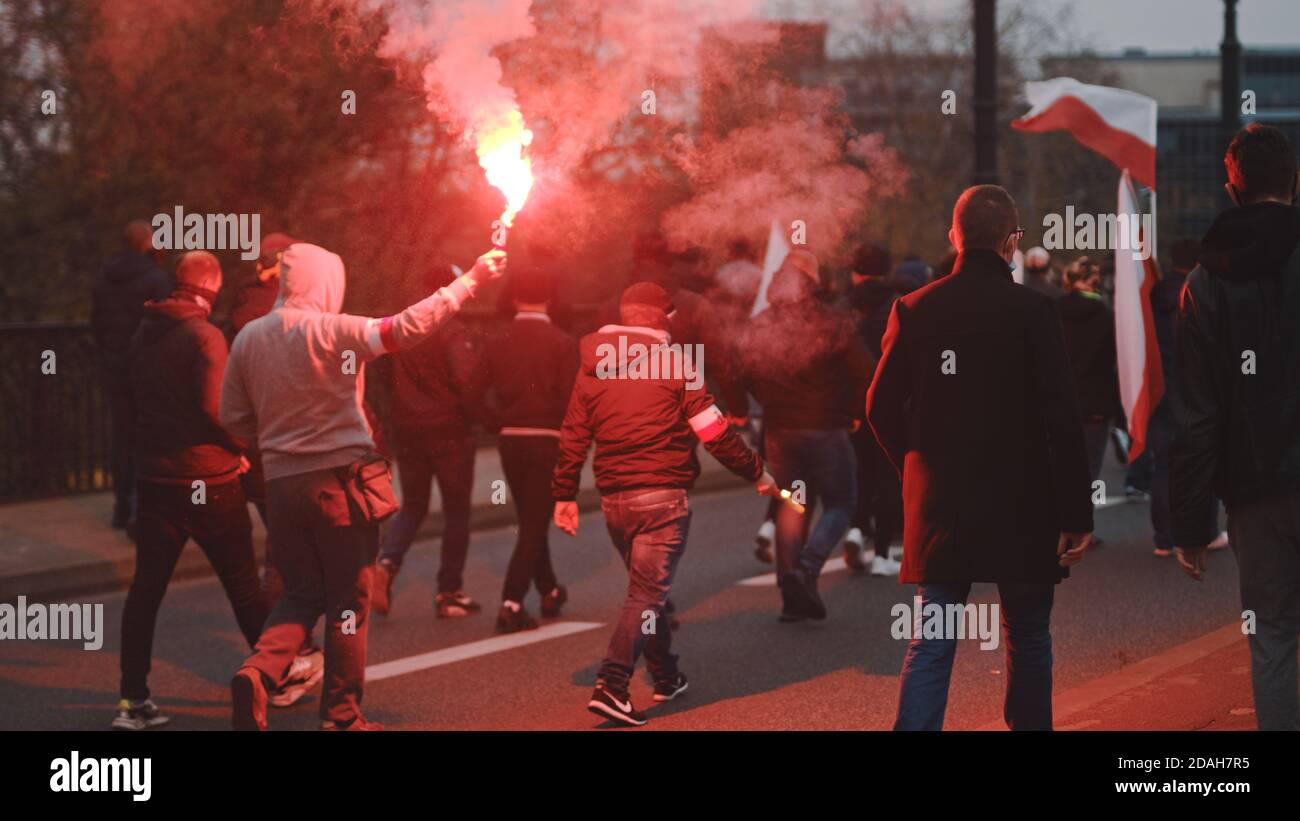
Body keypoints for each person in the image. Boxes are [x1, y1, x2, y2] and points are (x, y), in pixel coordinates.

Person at [220, 242, 506, 731]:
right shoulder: (334, 330)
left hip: (283, 487)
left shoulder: (249, 338)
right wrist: (472, 280)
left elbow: (234, 418)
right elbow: (405, 328)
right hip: (339, 485)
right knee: (349, 602)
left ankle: (259, 670)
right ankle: (342, 716)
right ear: (328, 281)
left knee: (300, 593)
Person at [867, 185, 1093, 731]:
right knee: (1029, 635)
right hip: (1023, 501)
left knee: (932, 640)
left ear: (955, 235)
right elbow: (1063, 418)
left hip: (942, 500)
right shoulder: (1034, 311)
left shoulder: (915, 308)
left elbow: (878, 407)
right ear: (1012, 242)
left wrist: (914, 467)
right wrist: (1076, 513)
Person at [553, 282, 774, 726]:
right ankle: (612, 684)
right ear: (662, 319)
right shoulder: (676, 363)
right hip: (663, 497)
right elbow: (713, 432)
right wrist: (756, 470)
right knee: (647, 594)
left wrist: (564, 494)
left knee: (646, 594)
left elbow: (574, 432)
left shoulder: (593, 364)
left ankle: (666, 675)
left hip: (614, 499)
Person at [1171, 123, 1300, 731]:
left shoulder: (1204, 283)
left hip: (1255, 489)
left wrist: (1191, 522)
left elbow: (1197, 413)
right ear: (1294, 182)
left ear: (1232, 187)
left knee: (1271, 634)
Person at [115, 251, 273, 729]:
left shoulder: (143, 332)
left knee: (145, 591)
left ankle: (132, 701)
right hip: (208, 481)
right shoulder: (204, 335)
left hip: (156, 482)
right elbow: (215, 407)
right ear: (212, 286)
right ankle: (275, 675)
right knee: (244, 587)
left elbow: (129, 401)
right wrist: (240, 446)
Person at [738, 249, 873, 618]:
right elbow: (865, 370)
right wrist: (856, 413)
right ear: (814, 278)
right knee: (842, 503)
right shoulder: (830, 320)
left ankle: (790, 592)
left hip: (781, 429)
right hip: (827, 426)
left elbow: (744, 370)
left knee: (792, 504)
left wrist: (767, 401)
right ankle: (808, 568)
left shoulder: (763, 322)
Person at [372, 269, 485, 620]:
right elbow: (465, 379)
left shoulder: (405, 328)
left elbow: (382, 377)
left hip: (407, 428)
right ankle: (449, 591)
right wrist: (474, 418)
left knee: (414, 505)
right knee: (456, 510)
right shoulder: (452, 331)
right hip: (448, 430)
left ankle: (387, 564)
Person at [476, 266, 577, 633]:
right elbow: (572, 401)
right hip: (547, 438)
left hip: (511, 439)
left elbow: (471, 394)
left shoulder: (496, 341)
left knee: (531, 519)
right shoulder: (563, 342)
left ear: (515, 297)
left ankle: (549, 589)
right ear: (549, 297)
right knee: (535, 522)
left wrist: (496, 423)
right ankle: (511, 601)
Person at [92, 220, 173, 528]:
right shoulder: (154, 277)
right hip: (145, 367)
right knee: (148, 435)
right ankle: (143, 510)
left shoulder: (104, 276)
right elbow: (165, 322)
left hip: (113, 366)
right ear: (147, 243)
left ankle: (121, 505)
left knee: (122, 435)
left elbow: (97, 322)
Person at [845, 242, 905, 575]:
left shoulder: (841, 309)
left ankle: (855, 528)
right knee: (888, 477)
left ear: (855, 272)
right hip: (890, 403)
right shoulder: (899, 306)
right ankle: (882, 554)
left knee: (860, 472)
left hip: (851, 408)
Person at [1056, 255, 1121, 485]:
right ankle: (1081, 518)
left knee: (1060, 469)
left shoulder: (1051, 311)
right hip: (1096, 405)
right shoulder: (1107, 316)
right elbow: (1115, 361)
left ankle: (1059, 518)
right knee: (1089, 471)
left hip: (1058, 403)